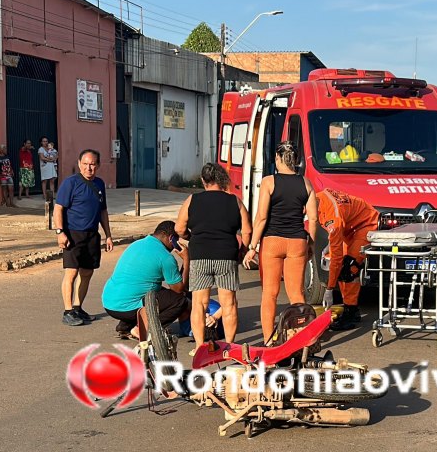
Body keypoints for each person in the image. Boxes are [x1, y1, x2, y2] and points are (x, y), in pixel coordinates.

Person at [244, 140, 319, 345]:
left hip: (272, 241)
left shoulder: (269, 182)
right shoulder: (306, 183)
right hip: (297, 241)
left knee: (270, 294)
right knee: (297, 294)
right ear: (295, 160)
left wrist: (252, 247)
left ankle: (268, 341)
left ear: (278, 158)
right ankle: (302, 339)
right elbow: (313, 219)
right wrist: (311, 244)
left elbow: (261, 217)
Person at [175, 163, 251, 352]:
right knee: (229, 303)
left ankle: (200, 346)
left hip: (200, 255)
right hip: (226, 255)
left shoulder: (192, 200)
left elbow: (179, 228)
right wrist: (243, 250)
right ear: (221, 178)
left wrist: (191, 237)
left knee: (199, 304)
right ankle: (230, 347)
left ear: (203, 180)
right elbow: (247, 231)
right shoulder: (235, 201)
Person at [55, 149, 113, 326]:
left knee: (87, 272)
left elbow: (103, 211)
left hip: (92, 235)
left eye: (92, 164)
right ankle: (67, 311)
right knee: (71, 272)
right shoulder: (70, 183)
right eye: (85, 164)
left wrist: (108, 236)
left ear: (98, 165)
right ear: (79, 164)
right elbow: (58, 208)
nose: (89, 168)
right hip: (72, 234)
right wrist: (60, 232)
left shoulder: (99, 184)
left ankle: (77, 307)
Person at [102, 221, 189, 339]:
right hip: (128, 307)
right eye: (176, 241)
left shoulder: (137, 244)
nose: (175, 246)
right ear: (171, 238)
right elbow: (179, 289)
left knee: (156, 291)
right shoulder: (165, 257)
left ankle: (125, 326)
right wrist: (186, 260)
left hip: (110, 302)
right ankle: (142, 329)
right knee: (179, 301)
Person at [315, 188, 380, 330]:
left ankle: (351, 311)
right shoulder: (318, 198)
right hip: (350, 227)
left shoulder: (333, 216)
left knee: (349, 267)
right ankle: (349, 307)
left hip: (366, 224)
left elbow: (336, 259)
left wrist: (329, 289)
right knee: (343, 266)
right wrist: (331, 242)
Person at [38, 138, 59, 202]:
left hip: (51, 166)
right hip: (45, 167)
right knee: (44, 181)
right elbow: (42, 158)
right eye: (44, 141)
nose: (45, 142)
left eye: (46, 141)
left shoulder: (51, 148)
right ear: (41, 142)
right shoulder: (41, 149)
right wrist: (50, 160)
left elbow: (56, 155)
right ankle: (44, 195)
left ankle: (52, 195)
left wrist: (54, 158)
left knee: (52, 180)